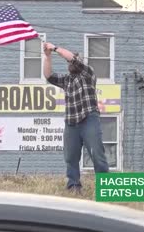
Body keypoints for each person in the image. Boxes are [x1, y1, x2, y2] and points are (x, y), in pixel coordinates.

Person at [42, 42, 109, 193]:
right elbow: (48, 76)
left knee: (97, 153)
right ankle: (73, 186)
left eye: (74, 60)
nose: (72, 63)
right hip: (71, 122)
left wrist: (55, 48)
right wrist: (47, 57)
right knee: (71, 156)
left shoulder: (88, 73)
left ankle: (106, 186)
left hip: (89, 118)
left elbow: (72, 59)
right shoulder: (67, 80)